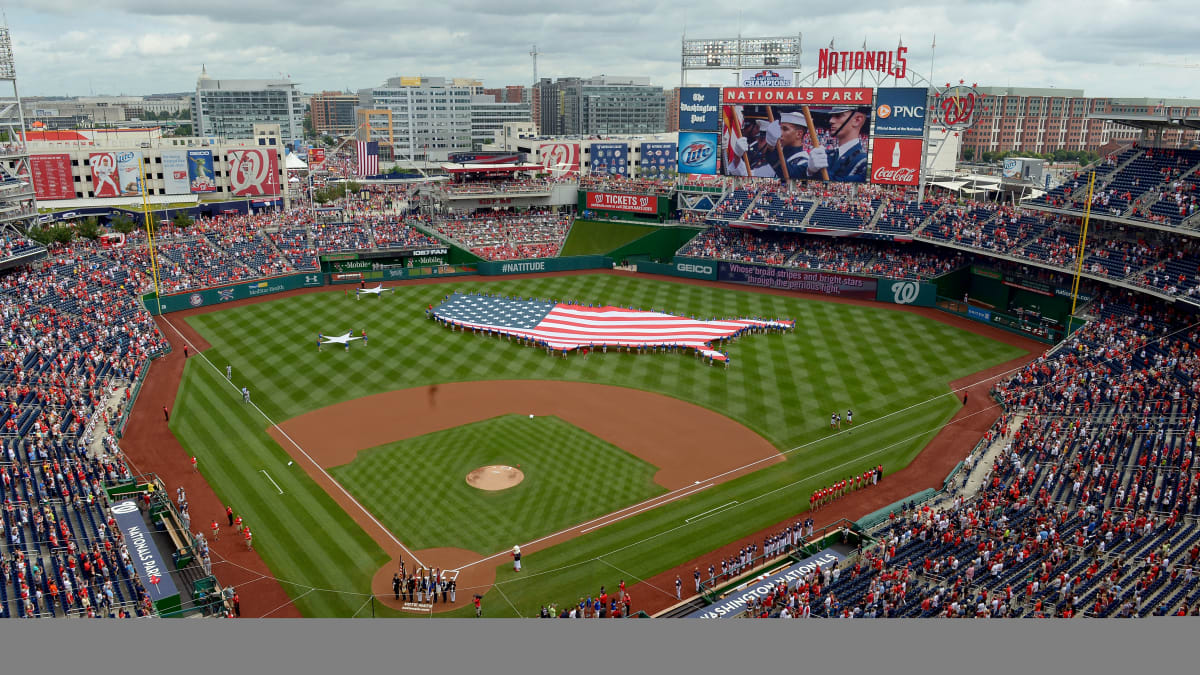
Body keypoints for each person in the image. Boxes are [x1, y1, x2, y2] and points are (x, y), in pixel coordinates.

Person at [820, 105, 872, 182]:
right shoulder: (827, 155)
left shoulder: (864, 161)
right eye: (832, 116)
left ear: (857, 120)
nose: (831, 120)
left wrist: (816, 172)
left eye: (838, 116)